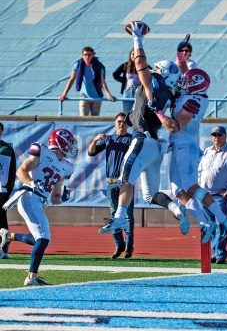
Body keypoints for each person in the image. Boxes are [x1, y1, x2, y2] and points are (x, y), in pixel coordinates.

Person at [98, 21, 190, 236]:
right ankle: (177, 208)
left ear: (161, 75)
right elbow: (180, 81)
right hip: (156, 146)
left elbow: (139, 62)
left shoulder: (154, 87)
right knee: (150, 195)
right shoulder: (171, 94)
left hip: (143, 141)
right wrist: (181, 57)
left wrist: (137, 37)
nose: (151, 72)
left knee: (124, 181)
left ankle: (119, 218)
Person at [157, 68, 227, 244]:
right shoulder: (189, 96)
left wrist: (159, 112)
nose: (183, 84)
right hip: (178, 145)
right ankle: (205, 223)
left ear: (197, 86)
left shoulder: (195, 100)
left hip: (185, 145)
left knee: (191, 187)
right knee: (178, 191)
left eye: (187, 82)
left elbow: (175, 126)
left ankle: (223, 219)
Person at [0, 129, 77, 286]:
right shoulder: (43, 152)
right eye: (68, 142)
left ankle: (8, 236)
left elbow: (55, 197)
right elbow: (21, 171)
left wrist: (63, 197)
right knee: (43, 238)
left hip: (39, 201)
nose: (70, 147)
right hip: (28, 196)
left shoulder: (66, 167)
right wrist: (32, 183)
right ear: (60, 142)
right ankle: (31, 277)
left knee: (42, 240)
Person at [88, 112, 134, 259]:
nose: (122, 124)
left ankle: (129, 246)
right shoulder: (109, 140)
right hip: (111, 183)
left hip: (125, 183)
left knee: (127, 216)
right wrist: (95, 141)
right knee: (114, 214)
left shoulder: (132, 140)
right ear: (115, 123)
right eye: (119, 121)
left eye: (125, 122)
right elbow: (91, 153)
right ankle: (118, 244)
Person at [198, 126, 227, 264]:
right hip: (205, 195)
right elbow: (200, 171)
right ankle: (215, 252)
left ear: (225, 137)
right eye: (214, 135)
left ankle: (220, 254)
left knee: (221, 225)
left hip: (219, 195)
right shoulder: (207, 151)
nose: (216, 138)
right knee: (210, 224)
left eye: (219, 135)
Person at [59, 46, 115, 116]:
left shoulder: (99, 66)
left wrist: (108, 94)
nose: (87, 57)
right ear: (82, 56)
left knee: (95, 120)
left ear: (93, 55)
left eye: (89, 55)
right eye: (85, 55)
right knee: (83, 119)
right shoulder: (78, 65)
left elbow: (102, 82)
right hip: (84, 96)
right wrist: (64, 94)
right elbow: (72, 79)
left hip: (96, 97)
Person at [0, 122, 16, 259]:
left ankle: (3, 249)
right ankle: (4, 239)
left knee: (1, 218)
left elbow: (12, 170)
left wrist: (9, 188)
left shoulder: (6, 149)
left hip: (2, 190)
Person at [113, 49, 141, 113]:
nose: (134, 56)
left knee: (138, 111)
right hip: (128, 90)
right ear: (130, 55)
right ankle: (127, 122)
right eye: (133, 54)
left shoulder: (143, 65)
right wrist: (124, 81)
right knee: (127, 111)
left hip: (139, 90)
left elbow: (152, 72)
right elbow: (115, 74)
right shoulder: (126, 65)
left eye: (136, 54)